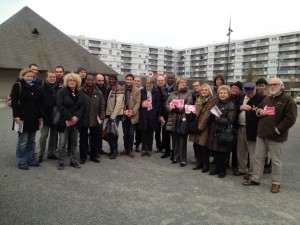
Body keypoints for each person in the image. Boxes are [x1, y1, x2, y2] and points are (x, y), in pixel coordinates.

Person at [242, 78, 297, 193]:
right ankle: (255, 179)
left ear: (281, 86)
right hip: (262, 134)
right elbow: (259, 108)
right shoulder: (268, 98)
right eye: (271, 85)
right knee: (258, 158)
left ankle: (276, 183)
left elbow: (290, 119)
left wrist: (278, 130)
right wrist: (259, 112)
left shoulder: (288, 99)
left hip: (275, 136)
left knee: (276, 160)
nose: (272, 86)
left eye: (275, 84)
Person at [11, 68, 41, 170]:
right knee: (23, 141)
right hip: (22, 118)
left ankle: (31, 159)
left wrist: (40, 116)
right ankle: (22, 161)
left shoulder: (36, 87)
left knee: (32, 141)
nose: (30, 78)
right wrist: (16, 117)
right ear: (22, 76)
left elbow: (38, 103)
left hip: (33, 118)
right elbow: (14, 103)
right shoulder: (18, 86)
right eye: (28, 76)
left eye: (31, 76)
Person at [236, 82, 264, 180]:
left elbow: (263, 110)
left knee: (253, 152)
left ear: (255, 90)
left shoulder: (261, 98)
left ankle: (252, 172)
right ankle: (242, 169)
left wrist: (257, 110)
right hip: (240, 126)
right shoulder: (241, 97)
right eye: (248, 93)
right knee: (241, 150)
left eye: (251, 92)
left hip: (252, 127)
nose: (250, 95)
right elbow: (235, 106)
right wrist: (241, 107)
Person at [207, 85, 237, 178]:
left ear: (228, 94)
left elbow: (229, 121)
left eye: (224, 93)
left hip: (224, 132)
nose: (222, 95)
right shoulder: (216, 103)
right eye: (220, 93)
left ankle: (222, 170)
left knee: (223, 153)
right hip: (215, 130)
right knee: (216, 151)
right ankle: (216, 168)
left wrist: (216, 118)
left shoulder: (231, 105)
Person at [56, 73, 84, 170]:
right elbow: (60, 106)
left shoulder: (79, 92)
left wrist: (76, 117)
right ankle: (61, 161)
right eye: (70, 80)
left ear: (77, 82)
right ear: (66, 82)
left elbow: (81, 106)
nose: (72, 82)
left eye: (74, 80)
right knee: (62, 143)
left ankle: (73, 160)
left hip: (76, 122)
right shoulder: (61, 92)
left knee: (74, 142)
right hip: (64, 121)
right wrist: (70, 117)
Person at [165, 76, 193, 167]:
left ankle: (183, 159)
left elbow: (189, 103)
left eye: (184, 83)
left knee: (182, 140)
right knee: (175, 140)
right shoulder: (173, 93)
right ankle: (176, 157)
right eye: (181, 83)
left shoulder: (188, 94)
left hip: (183, 119)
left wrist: (180, 109)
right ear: (178, 84)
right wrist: (171, 109)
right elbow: (167, 103)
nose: (183, 84)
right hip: (173, 118)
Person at [189, 83, 215, 173]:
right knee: (196, 145)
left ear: (209, 91)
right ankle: (199, 163)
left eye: (206, 90)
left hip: (205, 126)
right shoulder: (199, 99)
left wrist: (200, 127)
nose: (204, 91)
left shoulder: (211, 100)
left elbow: (207, 115)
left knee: (203, 146)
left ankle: (205, 165)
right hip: (196, 123)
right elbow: (196, 110)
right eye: (202, 90)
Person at [79, 75, 105, 164]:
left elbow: (102, 106)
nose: (90, 81)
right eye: (88, 80)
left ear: (94, 81)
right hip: (83, 119)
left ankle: (93, 155)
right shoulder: (80, 91)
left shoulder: (99, 92)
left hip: (95, 119)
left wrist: (102, 117)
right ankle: (83, 156)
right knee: (83, 139)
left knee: (95, 138)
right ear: (85, 80)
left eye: (92, 80)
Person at [37, 70, 60, 163]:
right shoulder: (41, 89)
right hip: (45, 116)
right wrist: (40, 115)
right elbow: (38, 104)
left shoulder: (58, 88)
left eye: (54, 77)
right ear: (46, 77)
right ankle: (40, 154)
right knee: (44, 136)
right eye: (50, 77)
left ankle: (51, 153)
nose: (52, 78)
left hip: (55, 116)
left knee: (54, 136)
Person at [139, 77, 161, 157]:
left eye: (150, 83)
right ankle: (143, 149)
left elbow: (158, 104)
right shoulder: (142, 91)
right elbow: (139, 101)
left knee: (150, 133)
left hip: (152, 114)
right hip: (144, 113)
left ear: (153, 84)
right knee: (143, 132)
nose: (148, 85)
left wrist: (155, 113)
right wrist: (142, 104)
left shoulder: (157, 92)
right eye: (147, 83)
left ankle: (149, 149)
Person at [120, 74, 141, 158]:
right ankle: (125, 149)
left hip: (133, 115)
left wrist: (133, 112)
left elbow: (138, 102)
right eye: (127, 79)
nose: (129, 81)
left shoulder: (137, 90)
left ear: (133, 80)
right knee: (125, 133)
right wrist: (123, 111)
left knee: (131, 133)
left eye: (130, 79)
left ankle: (130, 150)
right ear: (125, 80)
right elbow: (120, 101)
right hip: (124, 115)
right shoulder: (121, 88)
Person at [105, 74, 124, 159]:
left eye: (113, 79)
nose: (111, 80)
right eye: (110, 79)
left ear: (116, 80)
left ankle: (115, 151)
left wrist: (112, 117)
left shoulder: (118, 88)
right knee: (109, 133)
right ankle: (112, 150)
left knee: (113, 134)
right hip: (109, 115)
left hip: (114, 116)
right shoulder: (109, 88)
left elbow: (119, 104)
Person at [160, 73, 176, 159]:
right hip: (165, 115)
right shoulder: (163, 89)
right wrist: (160, 115)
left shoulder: (176, 89)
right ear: (166, 79)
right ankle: (167, 151)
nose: (170, 79)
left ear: (174, 79)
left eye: (172, 78)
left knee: (173, 135)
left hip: (173, 115)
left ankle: (174, 152)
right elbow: (160, 103)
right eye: (168, 78)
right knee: (165, 134)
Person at [230, 81, 244, 175]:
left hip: (236, 125)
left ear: (240, 90)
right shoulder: (229, 97)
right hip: (228, 124)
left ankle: (235, 165)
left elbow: (240, 107)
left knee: (236, 147)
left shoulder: (241, 98)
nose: (234, 89)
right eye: (233, 88)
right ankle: (226, 162)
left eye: (236, 88)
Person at [95, 73, 107, 156]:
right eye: (99, 80)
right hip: (93, 114)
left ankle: (99, 149)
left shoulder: (106, 89)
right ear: (96, 80)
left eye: (102, 80)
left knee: (99, 133)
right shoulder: (93, 89)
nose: (101, 82)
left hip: (101, 114)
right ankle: (92, 149)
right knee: (92, 133)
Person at [155, 75, 166, 153]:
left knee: (165, 131)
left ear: (164, 81)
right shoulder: (154, 90)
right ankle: (158, 146)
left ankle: (164, 146)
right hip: (156, 114)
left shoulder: (167, 90)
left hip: (165, 113)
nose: (160, 81)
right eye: (159, 80)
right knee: (157, 131)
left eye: (162, 80)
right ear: (157, 81)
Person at [133, 75, 143, 152]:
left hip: (141, 113)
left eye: (138, 81)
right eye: (135, 81)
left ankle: (137, 144)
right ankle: (128, 145)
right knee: (130, 131)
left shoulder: (143, 90)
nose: (136, 82)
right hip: (132, 113)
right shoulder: (130, 90)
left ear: (141, 82)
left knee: (139, 131)